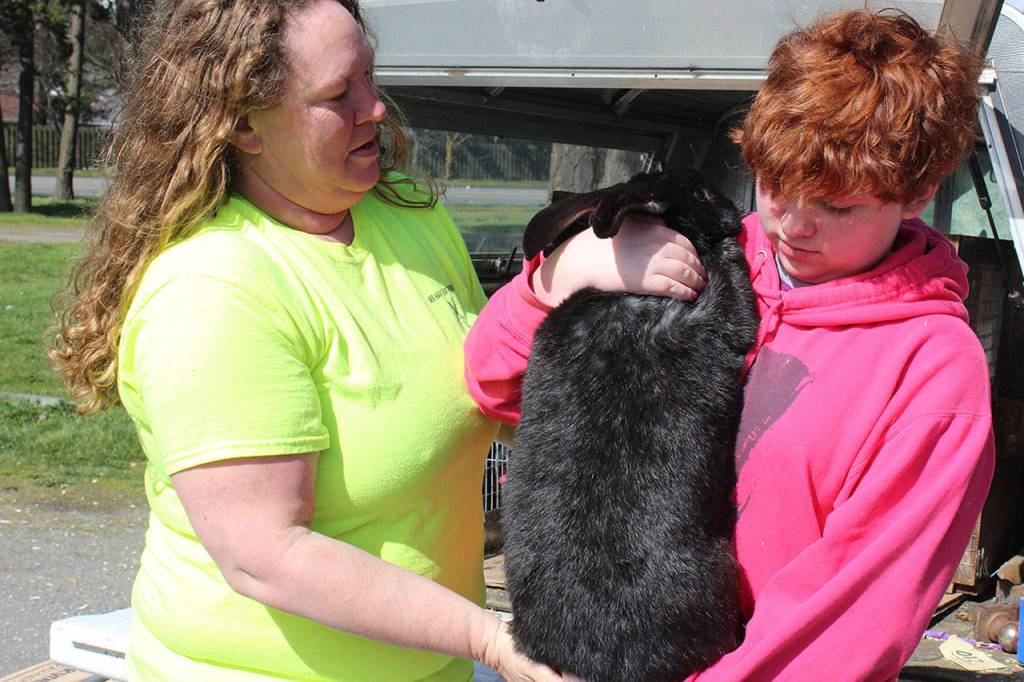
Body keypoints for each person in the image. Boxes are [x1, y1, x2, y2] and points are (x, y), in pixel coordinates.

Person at [47, 1, 700, 680]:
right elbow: (265, 556)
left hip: (427, 664)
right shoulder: (215, 290)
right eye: (338, 94)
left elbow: (489, 384)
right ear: (242, 123)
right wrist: (488, 637)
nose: (376, 108)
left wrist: (568, 295)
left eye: (369, 75)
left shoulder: (400, 212)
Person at [464, 9, 996, 680]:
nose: (793, 225)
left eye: (837, 205)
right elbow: (496, 383)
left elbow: (837, 629)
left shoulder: (929, 371)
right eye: (776, 184)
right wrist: (560, 279)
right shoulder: (700, 259)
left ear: (917, 193)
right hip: (587, 648)